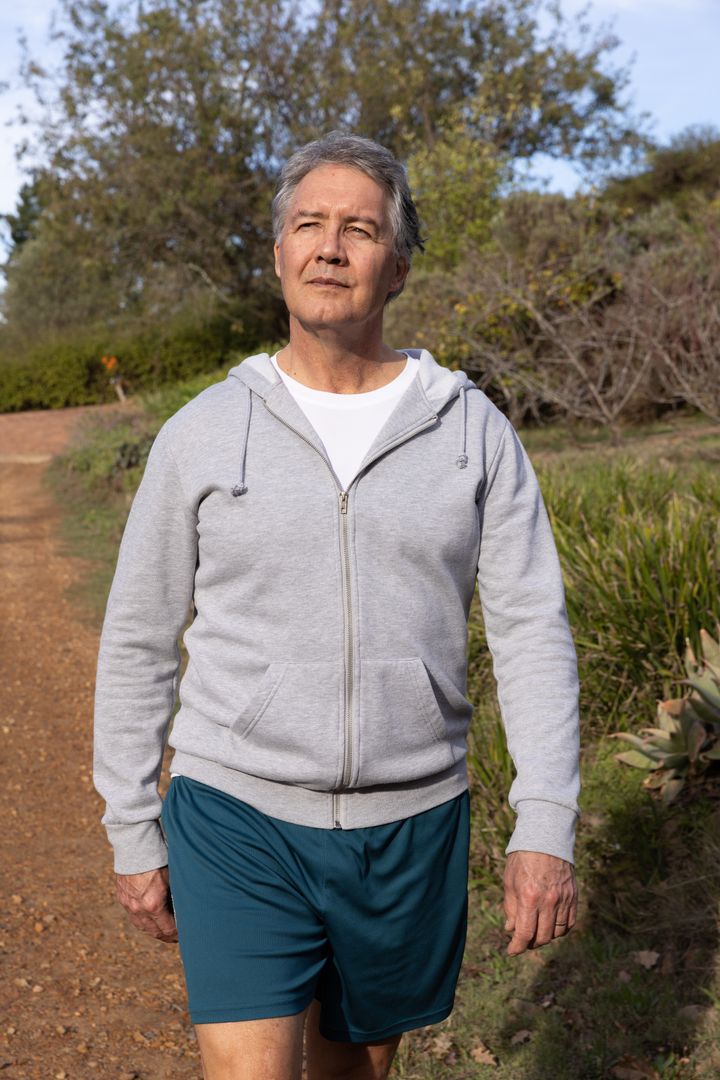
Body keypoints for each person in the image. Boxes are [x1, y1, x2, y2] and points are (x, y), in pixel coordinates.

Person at [93, 131, 580, 1080]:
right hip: (237, 810)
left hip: (413, 821)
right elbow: (140, 638)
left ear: (395, 265)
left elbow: (531, 633)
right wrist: (129, 821)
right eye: (308, 225)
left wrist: (546, 823)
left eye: (358, 230)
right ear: (277, 254)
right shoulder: (202, 432)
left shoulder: (471, 430)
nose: (329, 247)